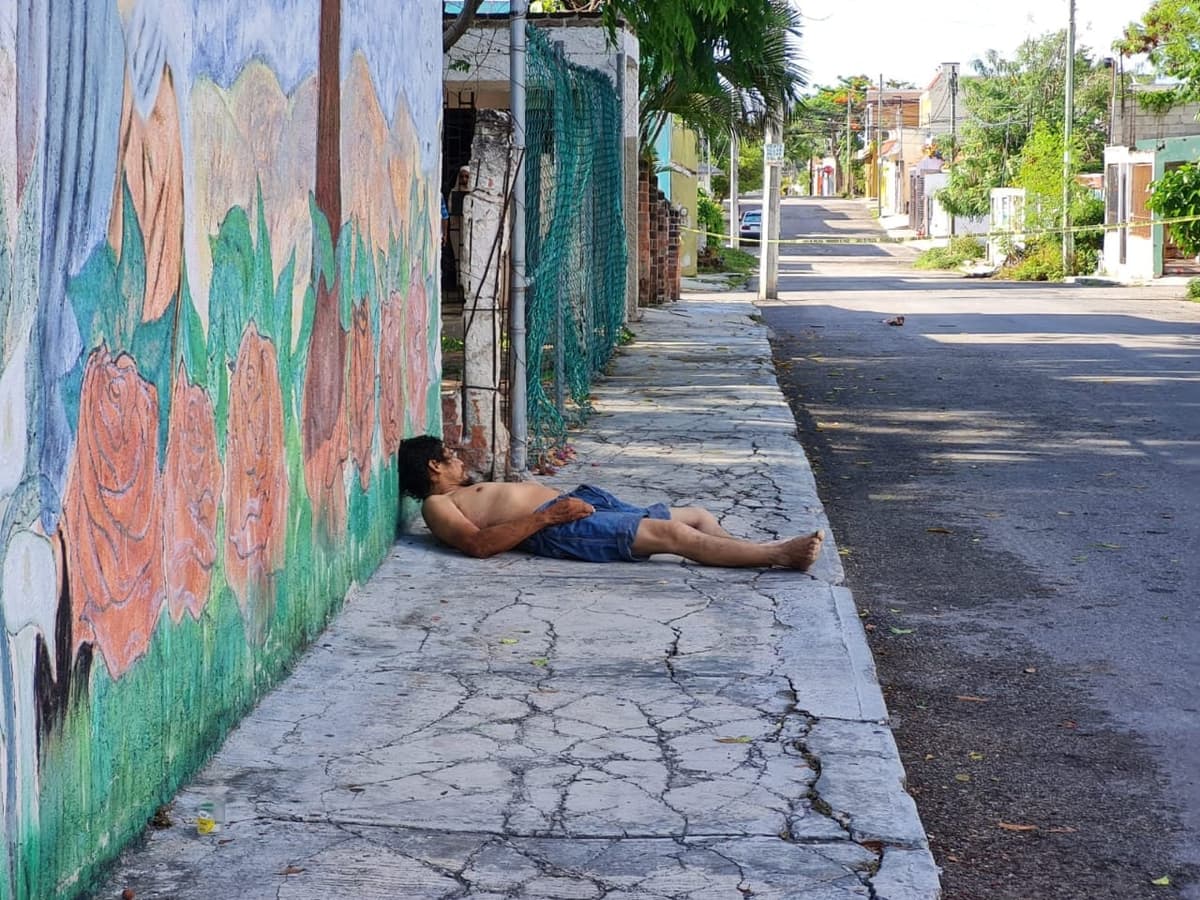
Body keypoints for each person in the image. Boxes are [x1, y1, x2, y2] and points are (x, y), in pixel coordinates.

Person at [398, 435, 824, 570]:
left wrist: (562, 504)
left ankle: (744, 552)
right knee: (672, 534)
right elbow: (478, 546)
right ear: (434, 468)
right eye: (450, 456)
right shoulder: (437, 507)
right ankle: (778, 554)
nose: (459, 459)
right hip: (560, 525)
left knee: (697, 515)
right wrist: (549, 516)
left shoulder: (461, 490)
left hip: (575, 504)